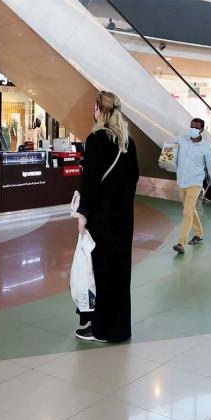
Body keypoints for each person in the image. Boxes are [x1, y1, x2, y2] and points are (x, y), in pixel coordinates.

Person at [74, 91, 139, 343]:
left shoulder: (96, 139)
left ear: (100, 110)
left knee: (101, 272)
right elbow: (134, 178)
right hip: (124, 217)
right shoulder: (128, 142)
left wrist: (84, 215)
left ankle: (101, 328)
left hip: (102, 217)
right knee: (120, 272)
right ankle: (120, 328)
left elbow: (90, 183)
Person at [172, 118, 211, 255]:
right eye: (191, 126)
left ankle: (180, 243)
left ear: (202, 130)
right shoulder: (181, 140)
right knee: (190, 210)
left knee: (187, 213)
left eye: (196, 127)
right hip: (181, 182)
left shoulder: (206, 147)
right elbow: (169, 149)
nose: (192, 129)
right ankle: (199, 233)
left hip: (195, 183)